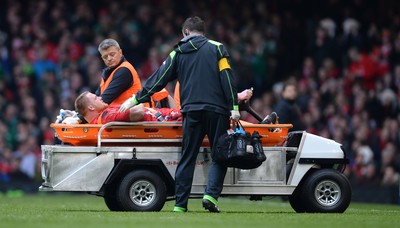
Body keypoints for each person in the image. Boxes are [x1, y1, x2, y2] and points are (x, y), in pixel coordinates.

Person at [118, 16, 240, 213]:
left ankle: (180, 205)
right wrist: (234, 106)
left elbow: (158, 79)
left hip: (191, 111)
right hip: (218, 111)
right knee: (220, 155)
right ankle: (210, 196)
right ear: (204, 33)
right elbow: (227, 78)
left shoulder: (178, 52)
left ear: (185, 32)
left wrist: (135, 100)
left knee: (188, 157)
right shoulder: (217, 48)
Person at [74, 91, 182, 124]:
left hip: (168, 116)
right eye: (96, 98)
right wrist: (137, 100)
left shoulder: (106, 113)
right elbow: (138, 112)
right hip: (170, 119)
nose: (100, 97)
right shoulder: (106, 117)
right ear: (91, 107)